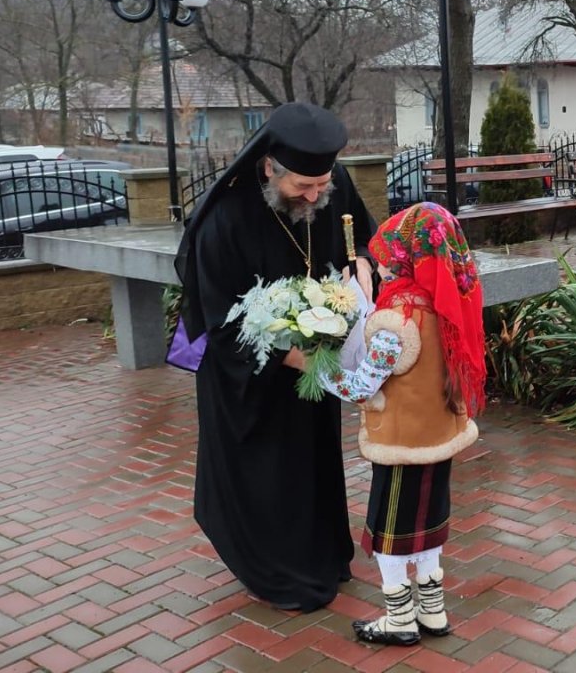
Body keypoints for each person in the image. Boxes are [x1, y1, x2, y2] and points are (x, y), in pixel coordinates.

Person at [173, 102, 378, 613]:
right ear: (270, 168)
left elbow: (361, 240)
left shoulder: (331, 182)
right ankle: (276, 572)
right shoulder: (226, 218)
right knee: (268, 475)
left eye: (321, 185)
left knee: (313, 463)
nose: (315, 196)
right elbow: (223, 322)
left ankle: (323, 556)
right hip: (252, 382)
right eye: (302, 188)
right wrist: (300, 360)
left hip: (317, 364)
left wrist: (365, 268)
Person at [316, 202, 485, 646]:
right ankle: (433, 611)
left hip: (400, 444)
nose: (383, 266)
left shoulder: (396, 322)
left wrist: (313, 367)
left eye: (388, 257)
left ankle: (398, 618)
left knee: (391, 533)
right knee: (429, 524)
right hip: (438, 439)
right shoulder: (443, 309)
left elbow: (360, 385)